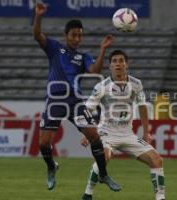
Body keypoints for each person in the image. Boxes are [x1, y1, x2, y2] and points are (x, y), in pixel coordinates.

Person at [33, 2, 120, 191]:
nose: (77, 38)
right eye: (74, 35)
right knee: (43, 144)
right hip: (55, 100)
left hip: (74, 101)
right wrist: (39, 16)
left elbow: (94, 70)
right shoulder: (55, 48)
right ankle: (51, 167)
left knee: (94, 136)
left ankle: (103, 175)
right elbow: (37, 36)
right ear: (67, 36)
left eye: (80, 35)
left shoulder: (83, 57)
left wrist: (103, 49)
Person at [80, 50, 165, 200]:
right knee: (104, 157)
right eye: (114, 61)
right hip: (105, 133)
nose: (118, 64)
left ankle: (160, 198)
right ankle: (88, 194)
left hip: (128, 134)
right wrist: (87, 133)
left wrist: (147, 131)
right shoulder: (102, 86)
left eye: (121, 61)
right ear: (110, 66)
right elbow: (87, 109)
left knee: (157, 160)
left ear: (127, 64)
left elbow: (142, 106)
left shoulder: (136, 84)